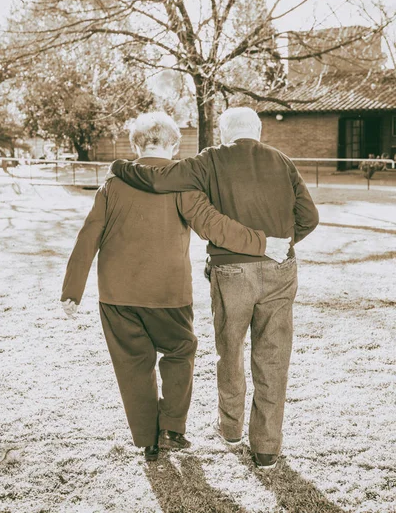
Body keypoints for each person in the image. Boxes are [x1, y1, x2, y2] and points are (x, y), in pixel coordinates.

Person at [61, 112, 290, 463]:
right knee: (181, 351)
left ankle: (147, 442)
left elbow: (88, 235)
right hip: (168, 295)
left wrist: (71, 291)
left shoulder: (112, 185)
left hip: (116, 296)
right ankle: (172, 428)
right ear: (174, 145)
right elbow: (214, 225)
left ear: (136, 145)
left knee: (132, 364)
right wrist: (262, 242)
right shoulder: (182, 185)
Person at [109, 107, 319, 469]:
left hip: (231, 269)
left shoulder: (211, 159)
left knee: (231, 349)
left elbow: (159, 179)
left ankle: (231, 428)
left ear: (222, 134)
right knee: (274, 356)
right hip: (281, 270)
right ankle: (267, 448)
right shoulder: (283, 161)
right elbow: (310, 217)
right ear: (259, 130)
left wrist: (120, 166)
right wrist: (282, 244)